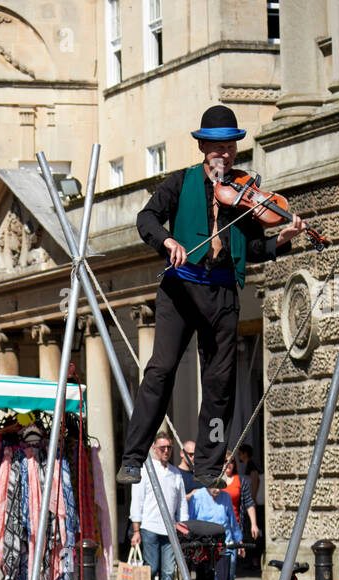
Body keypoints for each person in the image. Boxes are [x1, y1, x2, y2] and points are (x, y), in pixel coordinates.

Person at [116, 105, 306, 491]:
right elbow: (146, 219)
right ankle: (133, 457)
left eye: (230, 147)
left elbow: (251, 247)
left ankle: (207, 464)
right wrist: (167, 240)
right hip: (180, 287)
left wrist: (280, 242)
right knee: (160, 370)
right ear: (203, 146)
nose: (223, 154)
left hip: (222, 290)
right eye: (216, 147)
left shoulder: (245, 191)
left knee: (220, 385)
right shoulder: (180, 182)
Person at [128, 431, 190, 580]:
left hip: (170, 530)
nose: (166, 451)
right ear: (154, 448)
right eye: (162, 447)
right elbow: (136, 501)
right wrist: (136, 530)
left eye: (169, 448)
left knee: (169, 572)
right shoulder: (146, 470)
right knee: (150, 569)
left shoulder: (175, 473)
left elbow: (181, 504)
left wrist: (184, 526)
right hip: (149, 527)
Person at [186, 482, 244, 580]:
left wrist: (239, 540)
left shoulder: (226, 497)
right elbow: (191, 520)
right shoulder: (197, 497)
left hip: (223, 542)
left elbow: (232, 521)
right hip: (203, 543)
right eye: (214, 487)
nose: (218, 490)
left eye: (220, 487)